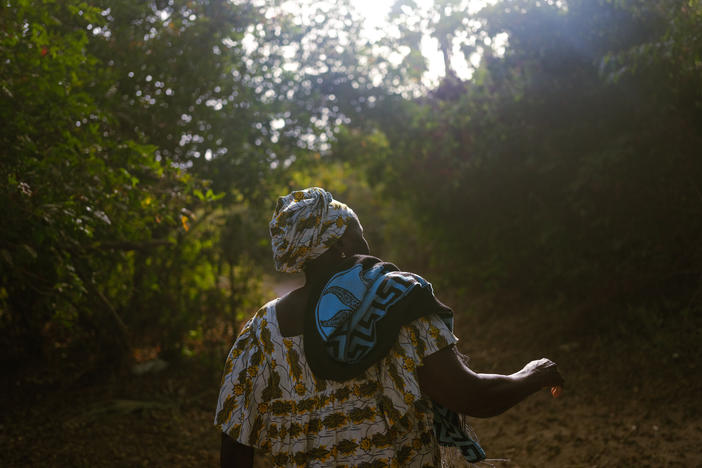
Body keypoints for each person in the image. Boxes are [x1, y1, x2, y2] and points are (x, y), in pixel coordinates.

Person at [215, 187, 564, 467]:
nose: (369, 248)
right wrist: (533, 374)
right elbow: (471, 395)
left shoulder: (260, 331)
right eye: (360, 236)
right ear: (342, 244)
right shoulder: (398, 297)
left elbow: (234, 446)